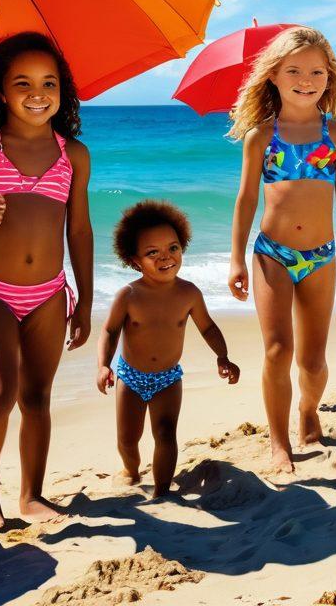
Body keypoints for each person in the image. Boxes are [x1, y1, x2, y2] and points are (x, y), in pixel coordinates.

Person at [0, 32, 93, 530]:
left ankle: (33, 494)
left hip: (50, 291)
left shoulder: (73, 153)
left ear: (63, 91)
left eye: (49, 82)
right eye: (22, 82)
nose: (38, 92)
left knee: (37, 398)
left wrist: (86, 300)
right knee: (0, 393)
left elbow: (80, 228)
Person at [227, 26, 336, 473]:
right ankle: (278, 442)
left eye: (316, 71)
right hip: (272, 254)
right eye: (294, 70)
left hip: (321, 256)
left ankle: (309, 411)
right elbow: (247, 198)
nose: (306, 79)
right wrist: (236, 258)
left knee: (313, 362)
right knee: (277, 351)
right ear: (273, 75)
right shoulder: (260, 137)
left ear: (330, 78)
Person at [97, 200, 239, 497]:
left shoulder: (188, 293)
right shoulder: (129, 295)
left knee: (165, 434)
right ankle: (132, 471)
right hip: (131, 377)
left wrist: (222, 356)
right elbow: (109, 331)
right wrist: (103, 365)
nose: (166, 258)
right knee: (127, 439)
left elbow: (208, 327)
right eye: (153, 253)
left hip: (167, 378)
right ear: (135, 261)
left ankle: (162, 490)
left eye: (173, 248)